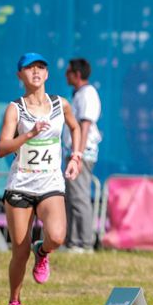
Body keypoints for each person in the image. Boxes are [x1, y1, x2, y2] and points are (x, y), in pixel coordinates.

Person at [0, 53, 82, 305]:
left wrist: (75, 157)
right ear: (19, 75)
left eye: (41, 67)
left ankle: (42, 251)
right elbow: (2, 148)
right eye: (29, 68)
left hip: (50, 184)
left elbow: (75, 128)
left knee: (57, 236)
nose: (36, 71)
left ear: (47, 74)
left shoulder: (61, 104)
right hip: (20, 186)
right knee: (19, 252)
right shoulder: (15, 108)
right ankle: (14, 300)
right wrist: (29, 134)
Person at [63, 58, 102, 253]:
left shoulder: (88, 94)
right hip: (75, 153)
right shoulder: (78, 94)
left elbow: (84, 125)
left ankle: (84, 243)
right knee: (72, 196)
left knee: (79, 197)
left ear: (77, 75)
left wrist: (77, 154)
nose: (65, 75)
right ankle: (72, 241)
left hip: (81, 154)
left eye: (68, 72)